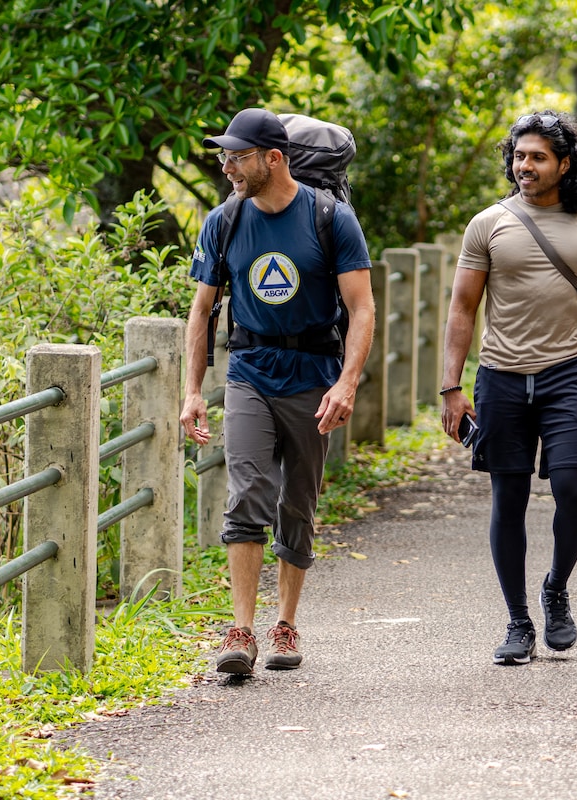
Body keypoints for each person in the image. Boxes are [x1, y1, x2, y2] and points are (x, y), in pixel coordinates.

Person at [180, 108, 376, 674]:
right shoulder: (225, 220)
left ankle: (286, 623)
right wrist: (194, 390)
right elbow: (201, 311)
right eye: (224, 156)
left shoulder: (330, 219)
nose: (226, 167)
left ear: (274, 158)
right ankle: (241, 630)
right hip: (249, 372)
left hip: (314, 374)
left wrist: (346, 382)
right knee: (248, 490)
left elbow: (362, 308)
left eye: (236, 157)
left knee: (298, 502)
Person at [440, 111, 577, 666]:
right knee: (509, 498)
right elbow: (462, 308)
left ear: (565, 164)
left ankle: (556, 588)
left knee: (572, 490)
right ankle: (518, 619)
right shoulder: (488, 224)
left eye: (538, 156)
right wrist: (452, 386)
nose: (525, 166)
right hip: (500, 378)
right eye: (520, 156)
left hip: (568, 375)